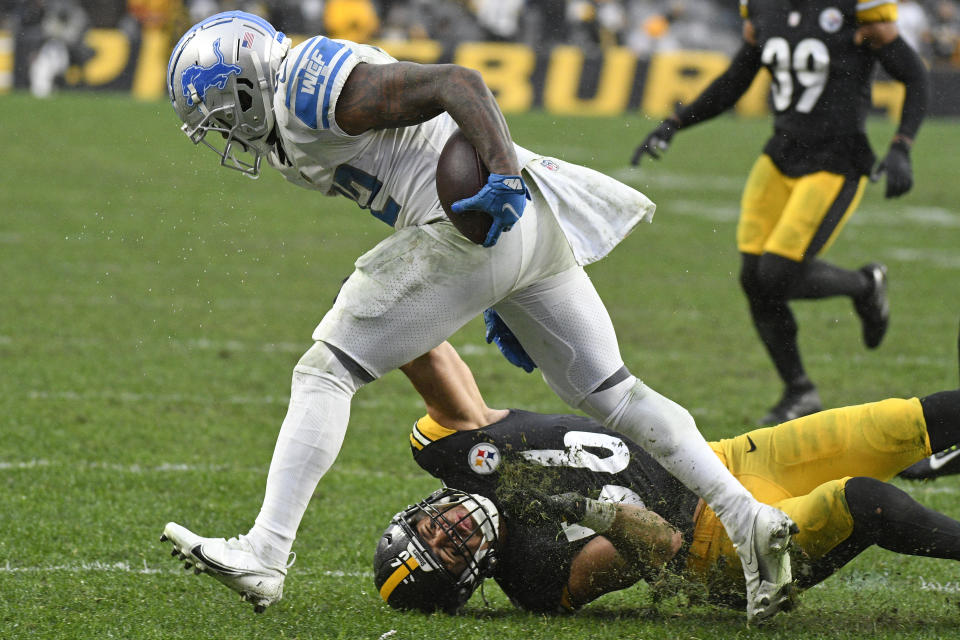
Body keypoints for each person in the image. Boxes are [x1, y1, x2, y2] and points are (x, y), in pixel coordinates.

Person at [160, 10, 799, 622]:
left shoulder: (308, 88)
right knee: (615, 392)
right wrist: (499, 276)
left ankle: (266, 553)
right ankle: (749, 522)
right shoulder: (289, 128)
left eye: (215, 114)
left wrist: (501, 180)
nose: (220, 132)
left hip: (484, 212)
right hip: (514, 228)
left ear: (241, 87)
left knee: (323, 372)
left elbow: (457, 83)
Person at [374, 341, 960, 616]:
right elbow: (658, 551)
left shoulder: (470, 457)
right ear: (466, 580)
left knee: (904, 423)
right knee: (863, 502)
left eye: (430, 524)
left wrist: (391, 301)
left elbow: (418, 339)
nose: (450, 524)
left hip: (720, 463)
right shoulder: (532, 578)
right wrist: (587, 507)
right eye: (450, 546)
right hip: (716, 548)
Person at [632, 0, 929, 425]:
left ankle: (865, 285)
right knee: (754, 278)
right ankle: (799, 390)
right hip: (782, 152)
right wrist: (676, 122)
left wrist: (902, 144)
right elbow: (738, 77)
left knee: (778, 274)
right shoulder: (763, 9)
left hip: (837, 157)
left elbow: (914, 74)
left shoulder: (855, 8)